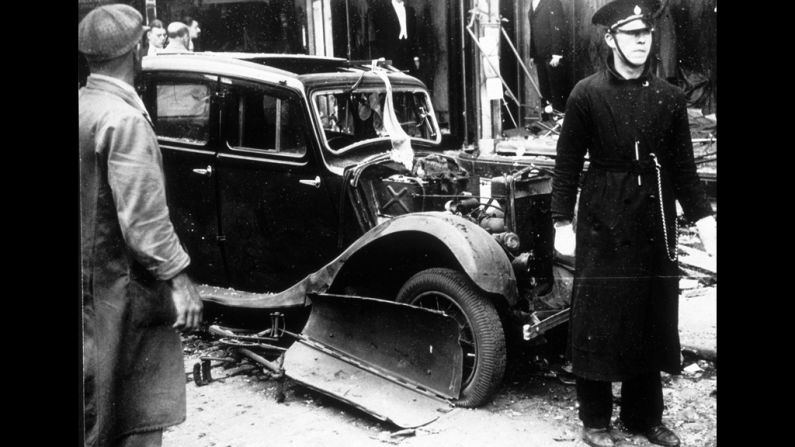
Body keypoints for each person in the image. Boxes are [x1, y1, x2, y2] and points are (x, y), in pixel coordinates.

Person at [549, 1, 716, 446]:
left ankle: (644, 417)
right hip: (604, 214)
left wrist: (706, 221)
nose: (643, 41)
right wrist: (562, 220)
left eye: (647, 33)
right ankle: (596, 420)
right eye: (632, 33)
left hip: (652, 215)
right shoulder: (586, 93)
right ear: (610, 39)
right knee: (600, 315)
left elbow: (683, 169)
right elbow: (566, 165)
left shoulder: (670, 96)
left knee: (650, 313)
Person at [78, 4, 203, 446]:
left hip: (90, 300)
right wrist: (181, 282)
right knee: (136, 420)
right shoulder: (124, 120)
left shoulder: (84, 106)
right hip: (123, 300)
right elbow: (145, 225)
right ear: (135, 53)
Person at [528, 0, 571, 112]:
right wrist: (532, 54)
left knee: (556, 91)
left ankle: (558, 120)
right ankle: (547, 121)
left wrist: (557, 54)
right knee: (545, 90)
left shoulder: (552, 2)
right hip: (539, 54)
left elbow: (557, 27)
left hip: (551, 55)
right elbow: (533, 31)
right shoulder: (532, 3)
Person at [368, 0, 419, 76]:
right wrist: (380, 56)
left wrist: (416, 56)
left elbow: (414, 34)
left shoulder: (410, 10)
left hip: (408, 55)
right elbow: (377, 36)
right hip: (390, 55)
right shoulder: (382, 11)